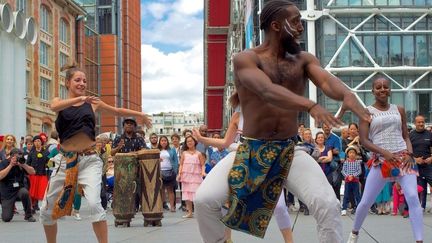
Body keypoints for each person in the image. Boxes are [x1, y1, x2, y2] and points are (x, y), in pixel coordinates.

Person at [193, 1, 370, 242]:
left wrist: (348, 95)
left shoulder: (304, 59)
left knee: (328, 205)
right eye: (295, 21)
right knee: (203, 200)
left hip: (289, 150)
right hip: (250, 150)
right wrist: (310, 105)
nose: (300, 27)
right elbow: (266, 90)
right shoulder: (245, 59)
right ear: (276, 26)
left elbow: (328, 82)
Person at [40, 63, 151, 243]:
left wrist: (141, 114)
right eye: (77, 80)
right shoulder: (58, 102)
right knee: (46, 210)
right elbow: (54, 108)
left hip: (89, 160)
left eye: (84, 81)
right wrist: (79, 100)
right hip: (64, 161)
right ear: (67, 82)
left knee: (94, 205)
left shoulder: (92, 104)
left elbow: (117, 111)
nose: (82, 83)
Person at [193, 93, 295, 243]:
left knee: (279, 206)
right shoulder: (237, 116)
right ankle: (227, 239)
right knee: (227, 201)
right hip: (242, 161)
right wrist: (202, 139)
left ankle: (289, 241)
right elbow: (225, 143)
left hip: (269, 162)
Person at [347, 76, 423, 243]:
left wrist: (410, 153)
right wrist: (385, 153)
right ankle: (354, 232)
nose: (382, 89)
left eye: (385, 87)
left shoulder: (399, 109)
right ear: (373, 91)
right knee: (366, 201)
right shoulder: (366, 112)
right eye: (378, 87)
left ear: (390, 90)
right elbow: (365, 141)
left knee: (412, 196)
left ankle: (419, 240)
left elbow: (406, 136)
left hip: (403, 159)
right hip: (381, 162)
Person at [0, 148, 36, 222]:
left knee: (25, 192)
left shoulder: (21, 163)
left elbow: (33, 172)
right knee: (6, 218)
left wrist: (23, 165)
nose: (18, 159)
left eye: (20, 156)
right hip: (7, 193)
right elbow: (0, 176)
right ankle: (8, 209)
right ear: (11, 157)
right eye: (17, 157)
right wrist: (10, 165)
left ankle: (28, 215)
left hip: (19, 189)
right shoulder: (4, 163)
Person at [177, 136, 205, 218]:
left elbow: (202, 164)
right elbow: (181, 164)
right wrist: (179, 173)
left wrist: (203, 172)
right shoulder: (184, 153)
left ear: (194, 142)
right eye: (188, 141)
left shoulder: (199, 153)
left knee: (197, 194)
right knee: (187, 194)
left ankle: (198, 212)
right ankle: (189, 212)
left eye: (191, 141)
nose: (189, 143)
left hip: (196, 176)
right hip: (186, 176)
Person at [409, 115, 432, 211]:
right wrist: (415, 159)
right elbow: (406, 151)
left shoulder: (429, 134)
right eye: (419, 122)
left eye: (422, 122)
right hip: (414, 165)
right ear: (415, 123)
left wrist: (431, 158)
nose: (421, 124)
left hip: (428, 166)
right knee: (415, 188)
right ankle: (414, 208)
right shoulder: (410, 135)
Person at [26, 135, 50, 213]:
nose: (37, 143)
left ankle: (45, 207)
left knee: (44, 192)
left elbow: (50, 163)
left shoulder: (46, 152)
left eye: (38, 141)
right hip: (33, 175)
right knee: (32, 192)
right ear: (33, 143)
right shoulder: (31, 153)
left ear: (41, 142)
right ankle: (32, 206)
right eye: (35, 141)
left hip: (42, 174)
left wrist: (48, 163)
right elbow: (27, 164)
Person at [158, 135, 179, 212]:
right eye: (162, 140)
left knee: (170, 190)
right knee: (161, 190)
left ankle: (172, 207)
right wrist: (157, 160)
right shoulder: (157, 150)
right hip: (159, 172)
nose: (163, 142)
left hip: (170, 171)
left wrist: (176, 172)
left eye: (165, 140)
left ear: (167, 142)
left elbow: (176, 161)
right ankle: (162, 206)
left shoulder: (172, 150)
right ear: (159, 142)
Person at [341, 146, 362, 216]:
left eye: (353, 153)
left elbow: (359, 171)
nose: (352, 154)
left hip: (355, 180)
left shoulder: (358, 162)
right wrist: (348, 176)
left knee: (357, 194)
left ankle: (359, 208)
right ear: (348, 154)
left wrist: (353, 176)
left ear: (355, 154)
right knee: (346, 195)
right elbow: (343, 171)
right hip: (347, 181)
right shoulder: (346, 162)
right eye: (350, 153)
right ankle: (344, 208)